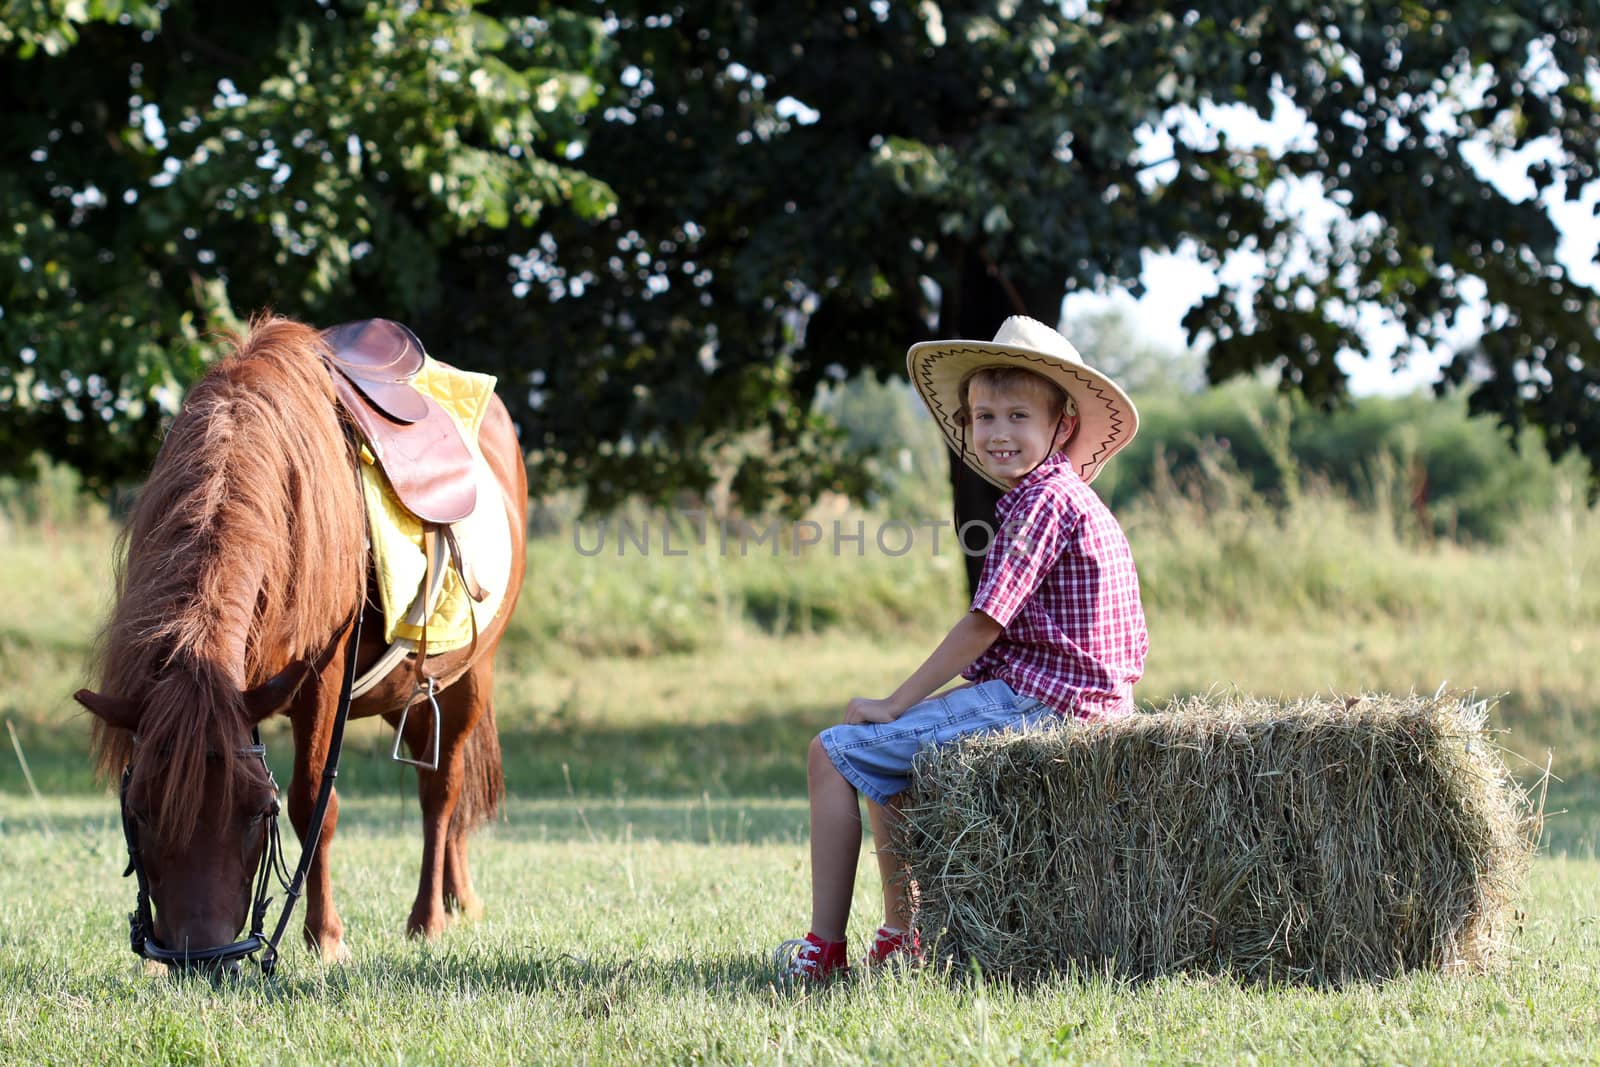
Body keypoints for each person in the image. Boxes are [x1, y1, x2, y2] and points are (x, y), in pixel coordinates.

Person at [773, 315, 1149, 981]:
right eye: (983, 416)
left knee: (831, 752)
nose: (998, 432)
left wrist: (896, 700)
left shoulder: (1042, 502)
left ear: (1061, 426)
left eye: (1017, 416)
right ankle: (901, 935)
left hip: (1050, 703)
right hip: (1068, 693)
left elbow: (985, 623)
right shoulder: (1062, 493)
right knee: (885, 763)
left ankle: (822, 950)